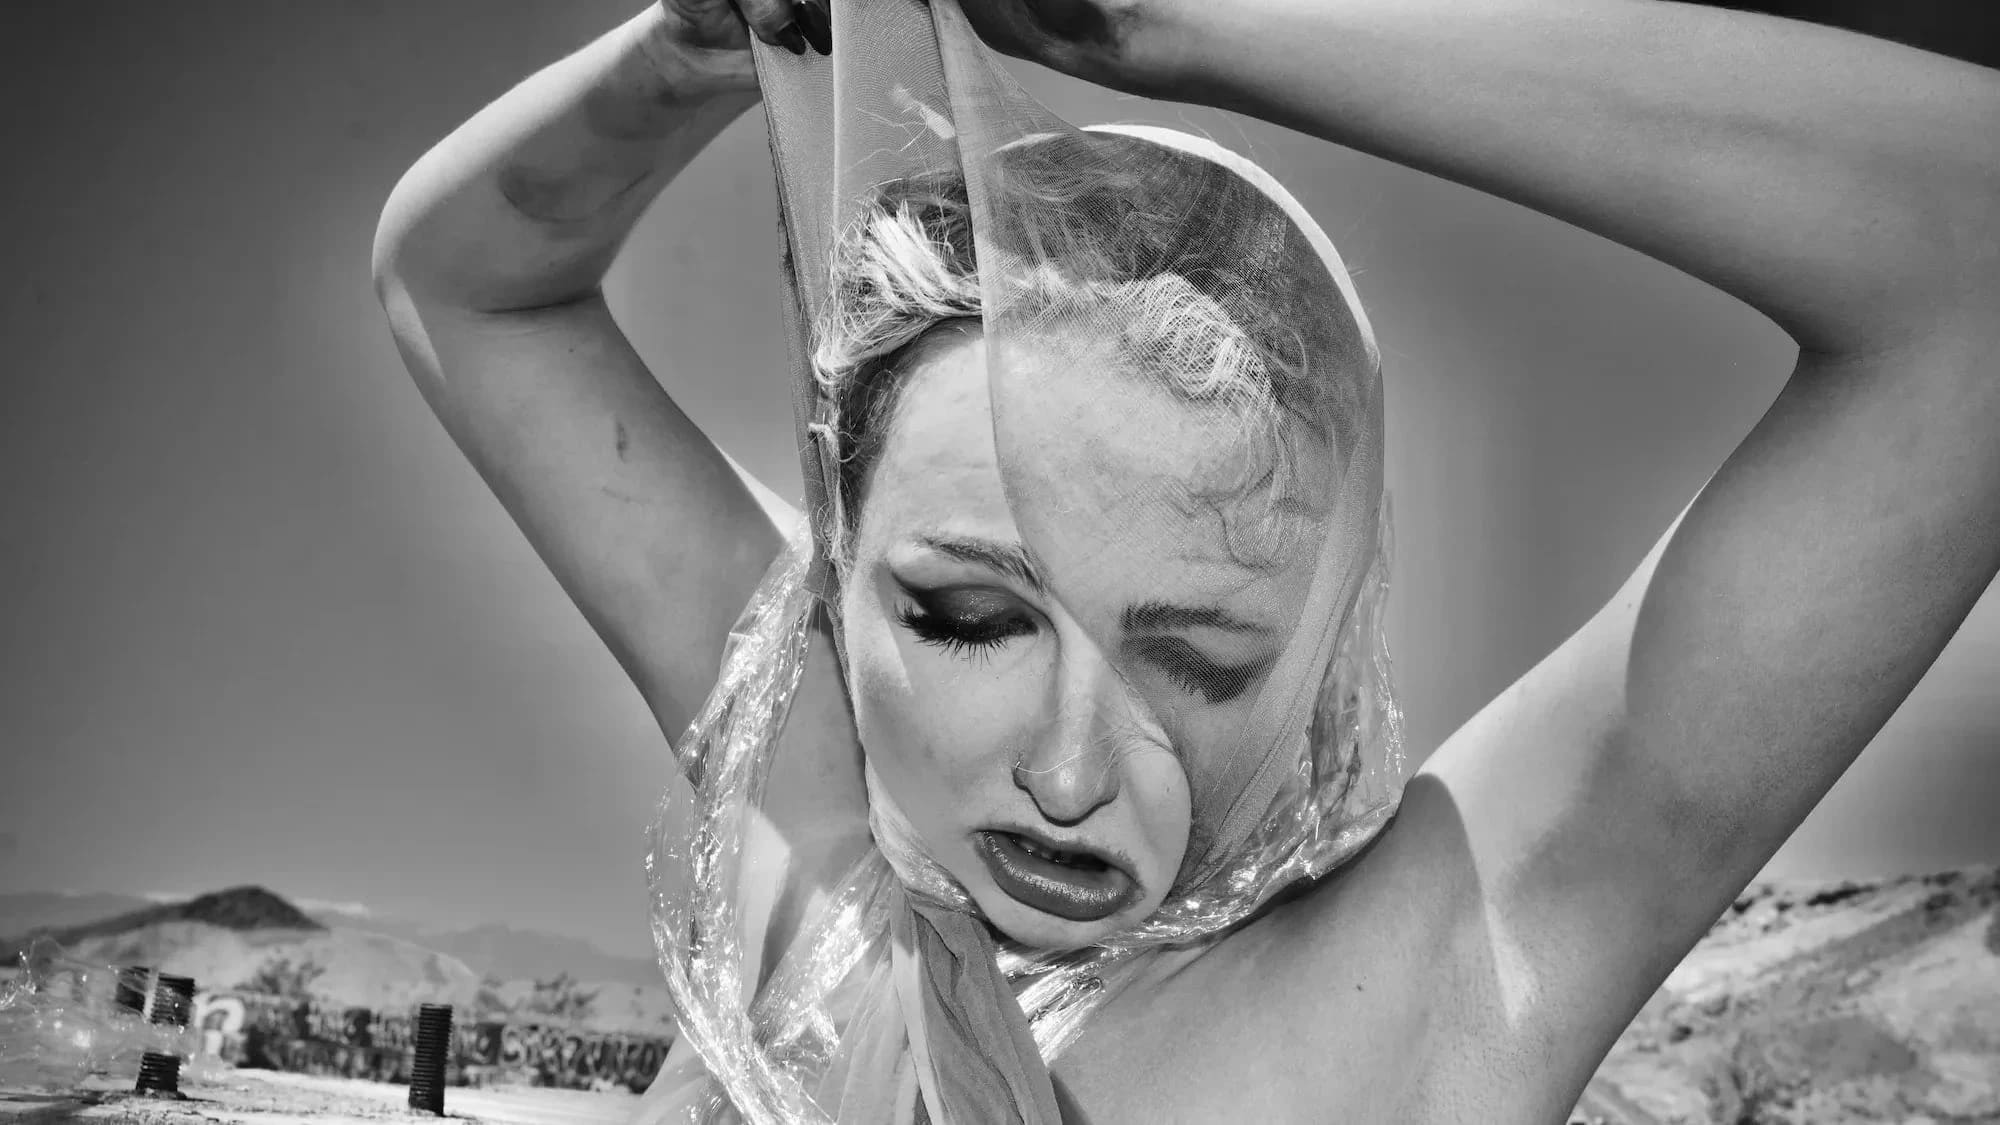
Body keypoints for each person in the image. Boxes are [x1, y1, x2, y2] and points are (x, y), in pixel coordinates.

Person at [371, 1, 2000, 1121]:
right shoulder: (811, 840)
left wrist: (1179, 22)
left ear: (1325, 651)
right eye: (966, 617)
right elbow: (463, 291)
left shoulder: (1412, 999)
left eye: (1203, 659)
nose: (1072, 769)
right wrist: (693, 49)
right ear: (837, 581)